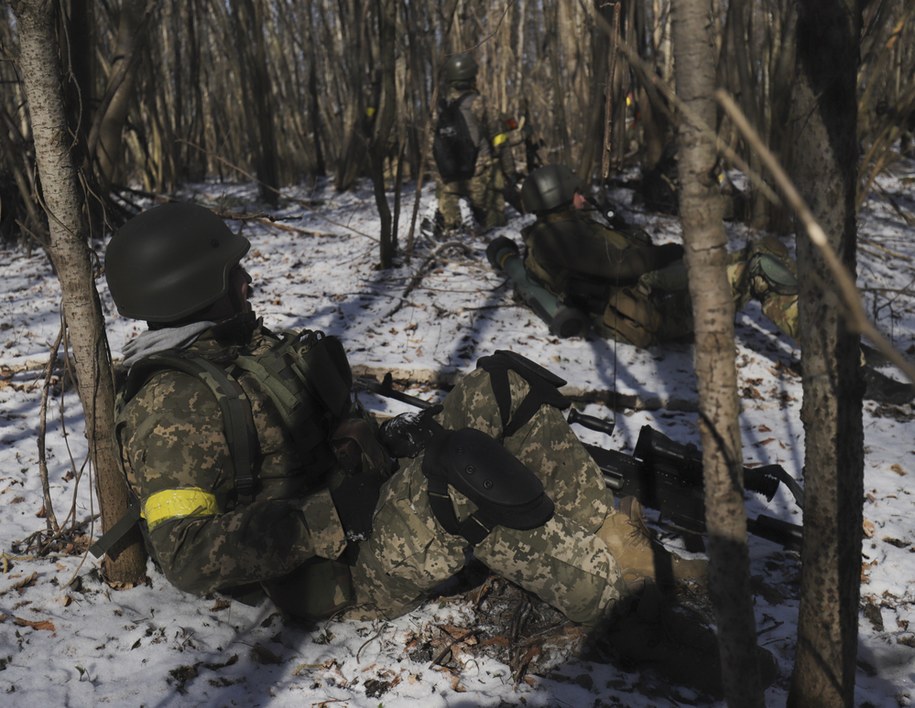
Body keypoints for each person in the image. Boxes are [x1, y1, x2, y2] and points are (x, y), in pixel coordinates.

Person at [102, 201, 708, 630]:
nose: (249, 282)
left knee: (507, 384)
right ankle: (621, 614)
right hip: (340, 570)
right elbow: (185, 555)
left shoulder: (245, 347)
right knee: (461, 475)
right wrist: (328, 515)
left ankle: (615, 545)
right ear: (194, 287)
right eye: (233, 273)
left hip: (368, 501)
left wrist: (373, 437)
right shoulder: (171, 406)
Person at [516, 164, 800, 348]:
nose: (582, 198)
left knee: (767, 247)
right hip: (652, 307)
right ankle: (823, 350)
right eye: (575, 193)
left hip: (653, 290)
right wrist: (668, 253)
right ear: (557, 197)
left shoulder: (563, 228)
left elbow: (629, 247)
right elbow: (620, 266)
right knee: (759, 268)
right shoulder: (557, 238)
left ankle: (814, 317)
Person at [431, 53, 513, 235]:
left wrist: (441, 178)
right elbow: (499, 140)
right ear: (472, 77)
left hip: (448, 180)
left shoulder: (438, 108)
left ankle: (450, 224)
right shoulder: (480, 104)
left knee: (451, 230)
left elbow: (432, 148)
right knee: (495, 226)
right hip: (480, 177)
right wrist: (509, 172)